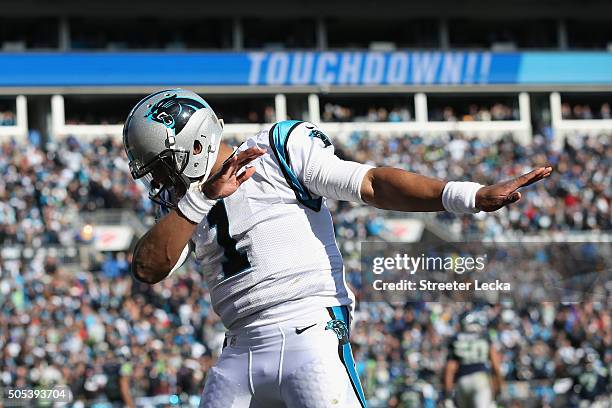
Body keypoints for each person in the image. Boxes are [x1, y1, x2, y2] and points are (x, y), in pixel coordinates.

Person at [123, 89, 552, 408]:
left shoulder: (275, 150)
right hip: (237, 351)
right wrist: (202, 199)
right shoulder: (184, 206)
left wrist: (468, 195)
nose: (159, 182)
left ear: (195, 146)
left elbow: (370, 182)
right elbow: (147, 267)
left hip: (309, 335)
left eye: (161, 166)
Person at [443, 312, 503, 408]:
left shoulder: (456, 338)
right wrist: (498, 390)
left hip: (462, 381)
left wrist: (448, 395)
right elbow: (496, 367)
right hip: (480, 379)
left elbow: (450, 369)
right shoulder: (485, 337)